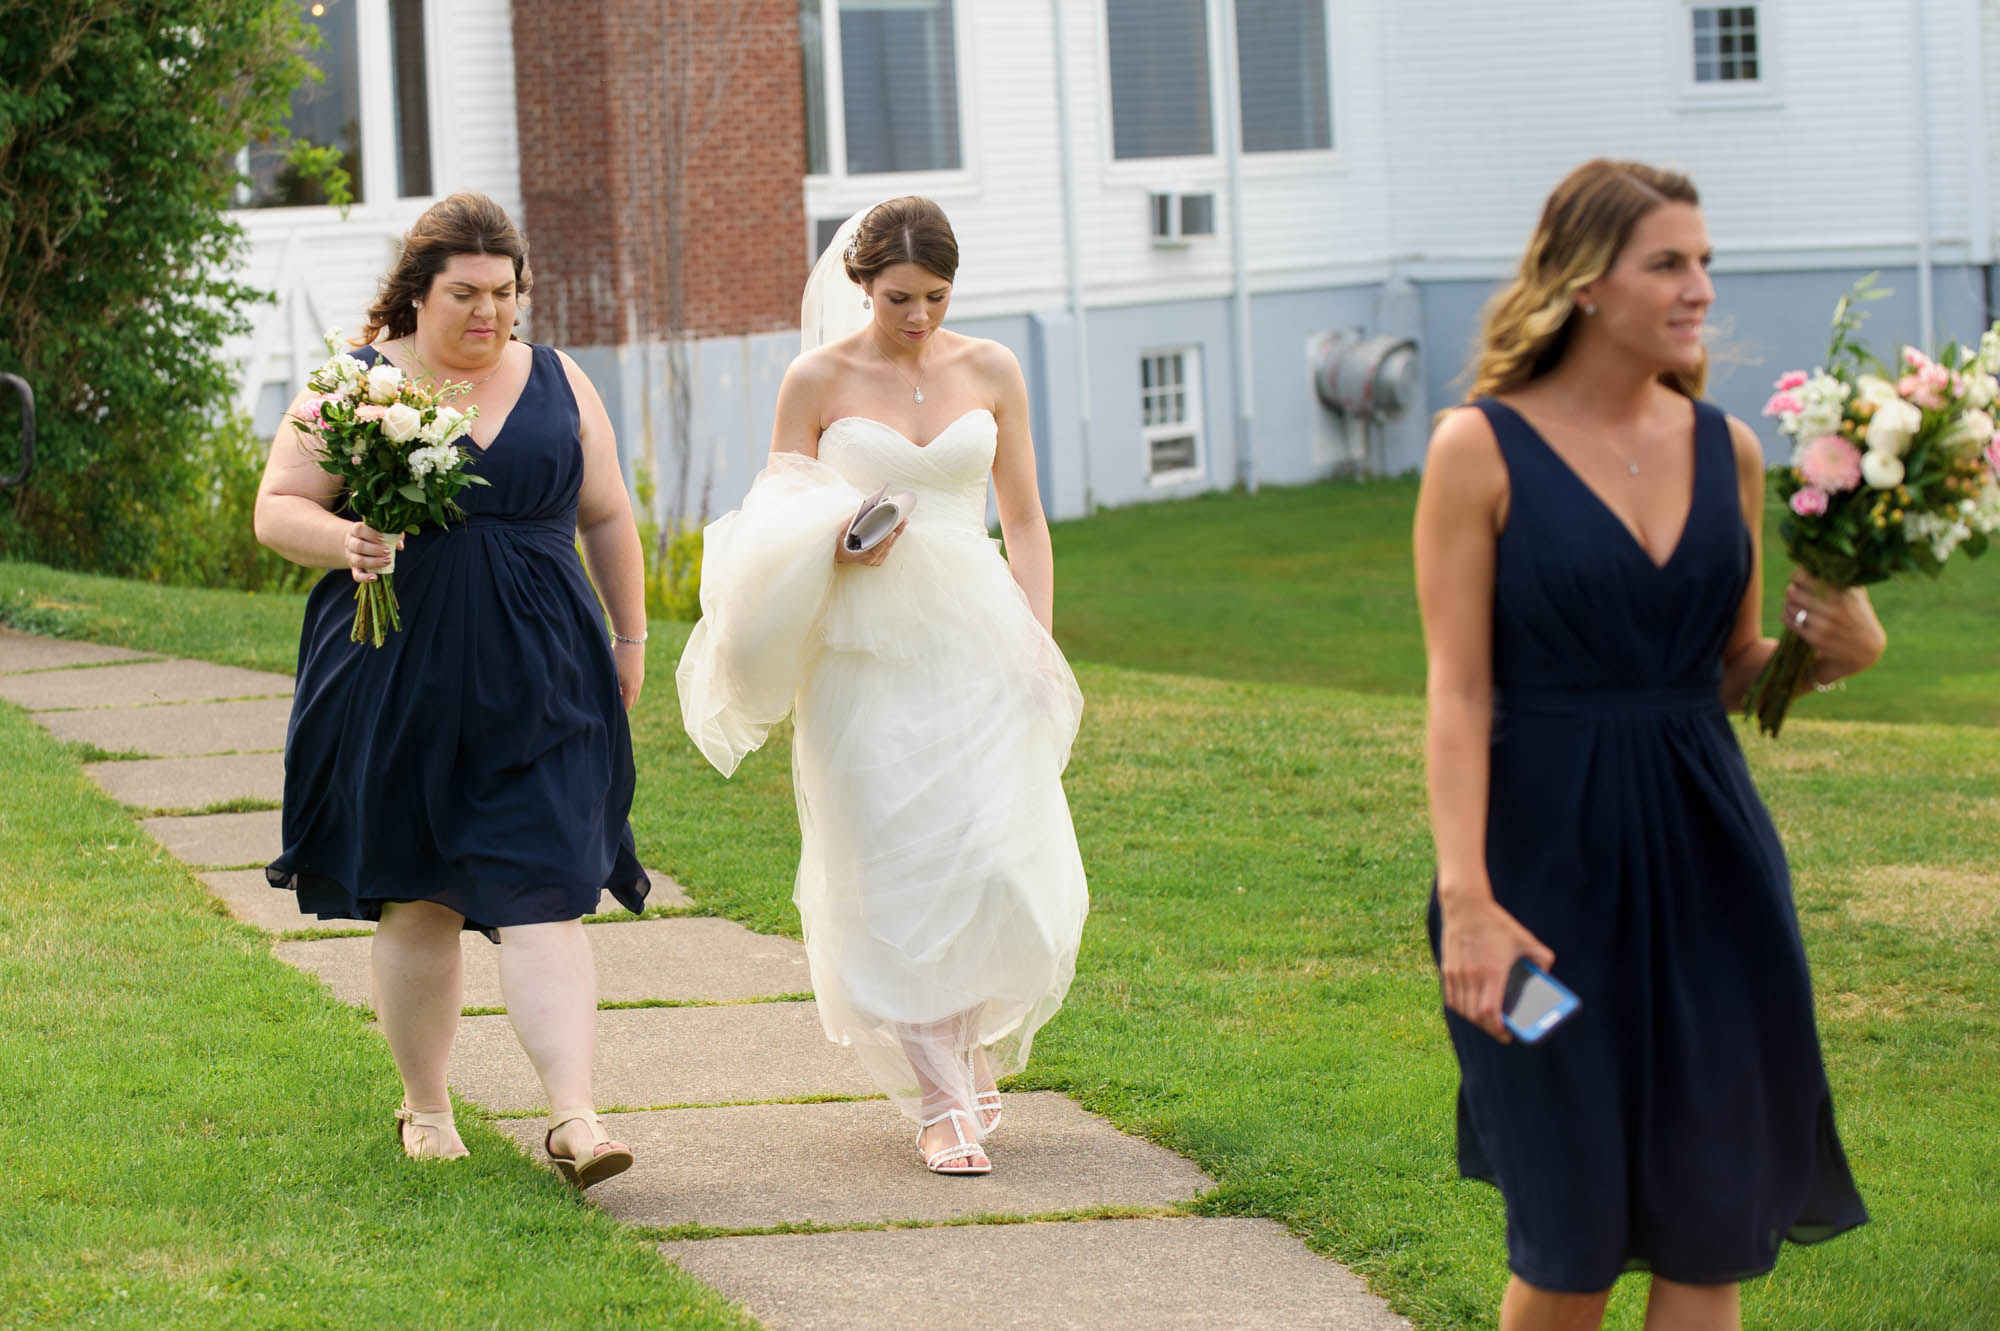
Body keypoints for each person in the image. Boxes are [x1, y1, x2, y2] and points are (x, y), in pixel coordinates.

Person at [1414, 160, 1880, 1329]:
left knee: (1704, 1222)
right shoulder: (1476, 449)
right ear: (1583, 282)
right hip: (1531, 888)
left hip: (1710, 879)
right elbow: (1457, 693)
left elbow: (1724, 670)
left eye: (1703, 262)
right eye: (1666, 262)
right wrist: (1464, 900)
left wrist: (1829, 644)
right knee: (1566, 1238)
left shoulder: (1723, 448)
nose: (1696, 288)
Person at [676, 196, 1088, 1176]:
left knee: (988, 858)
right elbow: (772, 513)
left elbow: (1022, 520)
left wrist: (1037, 640)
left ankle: (961, 1039)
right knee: (891, 864)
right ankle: (940, 1100)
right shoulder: (814, 378)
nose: (918, 317)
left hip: (976, 635)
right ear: (861, 285)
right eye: (899, 297)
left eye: (935, 297)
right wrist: (837, 535)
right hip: (861, 647)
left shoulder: (991, 368)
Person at [253, 192, 650, 1187]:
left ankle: (575, 1117)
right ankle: (425, 1106)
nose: (489, 314)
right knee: (421, 894)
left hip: (546, 671)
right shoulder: (356, 383)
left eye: (505, 292)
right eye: (465, 294)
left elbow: (606, 514)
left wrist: (630, 632)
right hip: (398, 671)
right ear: (416, 293)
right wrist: (344, 538)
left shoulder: (561, 379)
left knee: (547, 884)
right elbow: (276, 507)